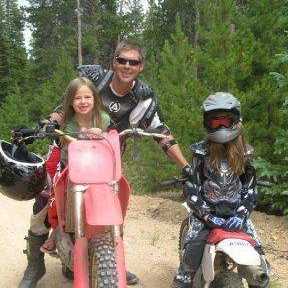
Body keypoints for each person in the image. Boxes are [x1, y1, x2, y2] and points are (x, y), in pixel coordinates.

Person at [17, 39, 189, 287]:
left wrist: (185, 165)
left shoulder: (143, 97)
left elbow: (162, 133)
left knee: (116, 202)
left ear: (141, 66)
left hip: (106, 161)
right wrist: (49, 124)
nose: (127, 66)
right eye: (122, 60)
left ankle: (111, 260)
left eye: (134, 62)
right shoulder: (95, 81)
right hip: (70, 153)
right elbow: (61, 109)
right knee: (44, 202)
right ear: (114, 61)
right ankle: (34, 267)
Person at [172, 92, 270, 288]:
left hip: (236, 215)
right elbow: (192, 188)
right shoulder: (200, 153)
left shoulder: (245, 154)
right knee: (193, 249)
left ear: (235, 121)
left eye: (225, 121)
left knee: (260, 260)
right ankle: (183, 278)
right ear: (207, 123)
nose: (222, 126)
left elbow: (251, 189)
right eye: (216, 123)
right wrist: (207, 215)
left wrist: (241, 215)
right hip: (206, 216)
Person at [40, 76, 110, 254]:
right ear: (70, 101)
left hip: (96, 169)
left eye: (87, 97)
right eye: (78, 98)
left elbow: (109, 140)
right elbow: (69, 144)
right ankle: (57, 231)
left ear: (95, 98)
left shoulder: (103, 119)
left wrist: (100, 132)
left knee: (110, 192)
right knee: (57, 198)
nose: (83, 102)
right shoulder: (69, 124)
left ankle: (111, 237)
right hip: (71, 168)